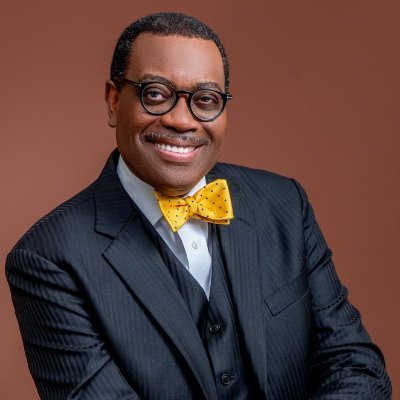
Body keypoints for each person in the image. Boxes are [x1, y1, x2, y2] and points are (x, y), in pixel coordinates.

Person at [6, 12, 391, 400]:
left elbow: (358, 368)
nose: (181, 120)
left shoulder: (285, 205)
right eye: (156, 94)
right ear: (113, 101)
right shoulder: (48, 256)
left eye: (205, 100)